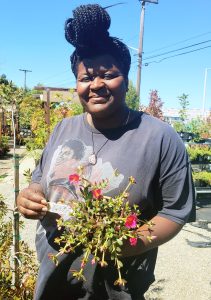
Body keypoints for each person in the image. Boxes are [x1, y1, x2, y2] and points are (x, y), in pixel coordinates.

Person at [17, 4, 195, 300]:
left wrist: (129, 243)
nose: (96, 85)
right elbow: (40, 177)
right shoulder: (63, 129)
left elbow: (176, 212)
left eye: (108, 74)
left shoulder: (160, 137)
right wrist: (30, 194)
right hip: (54, 278)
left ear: (125, 80)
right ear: (76, 85)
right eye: (86, 78)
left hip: (117, 286)